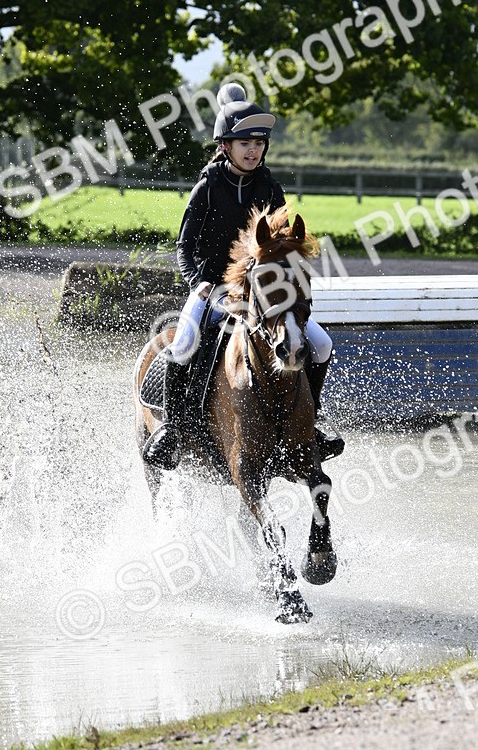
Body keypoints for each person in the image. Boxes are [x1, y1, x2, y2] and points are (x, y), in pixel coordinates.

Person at [143, 82, 345, 470]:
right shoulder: (207, 186)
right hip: (212, 287)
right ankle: (172, 428)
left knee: (320, 344)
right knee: (184, 343)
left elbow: (283, 242)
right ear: (226, 146)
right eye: (244, 143)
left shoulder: (270, 187)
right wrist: (197, 282)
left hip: (260, 291)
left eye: (258, 143)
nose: (253, 150)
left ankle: (311, 426)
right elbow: (184, 246)